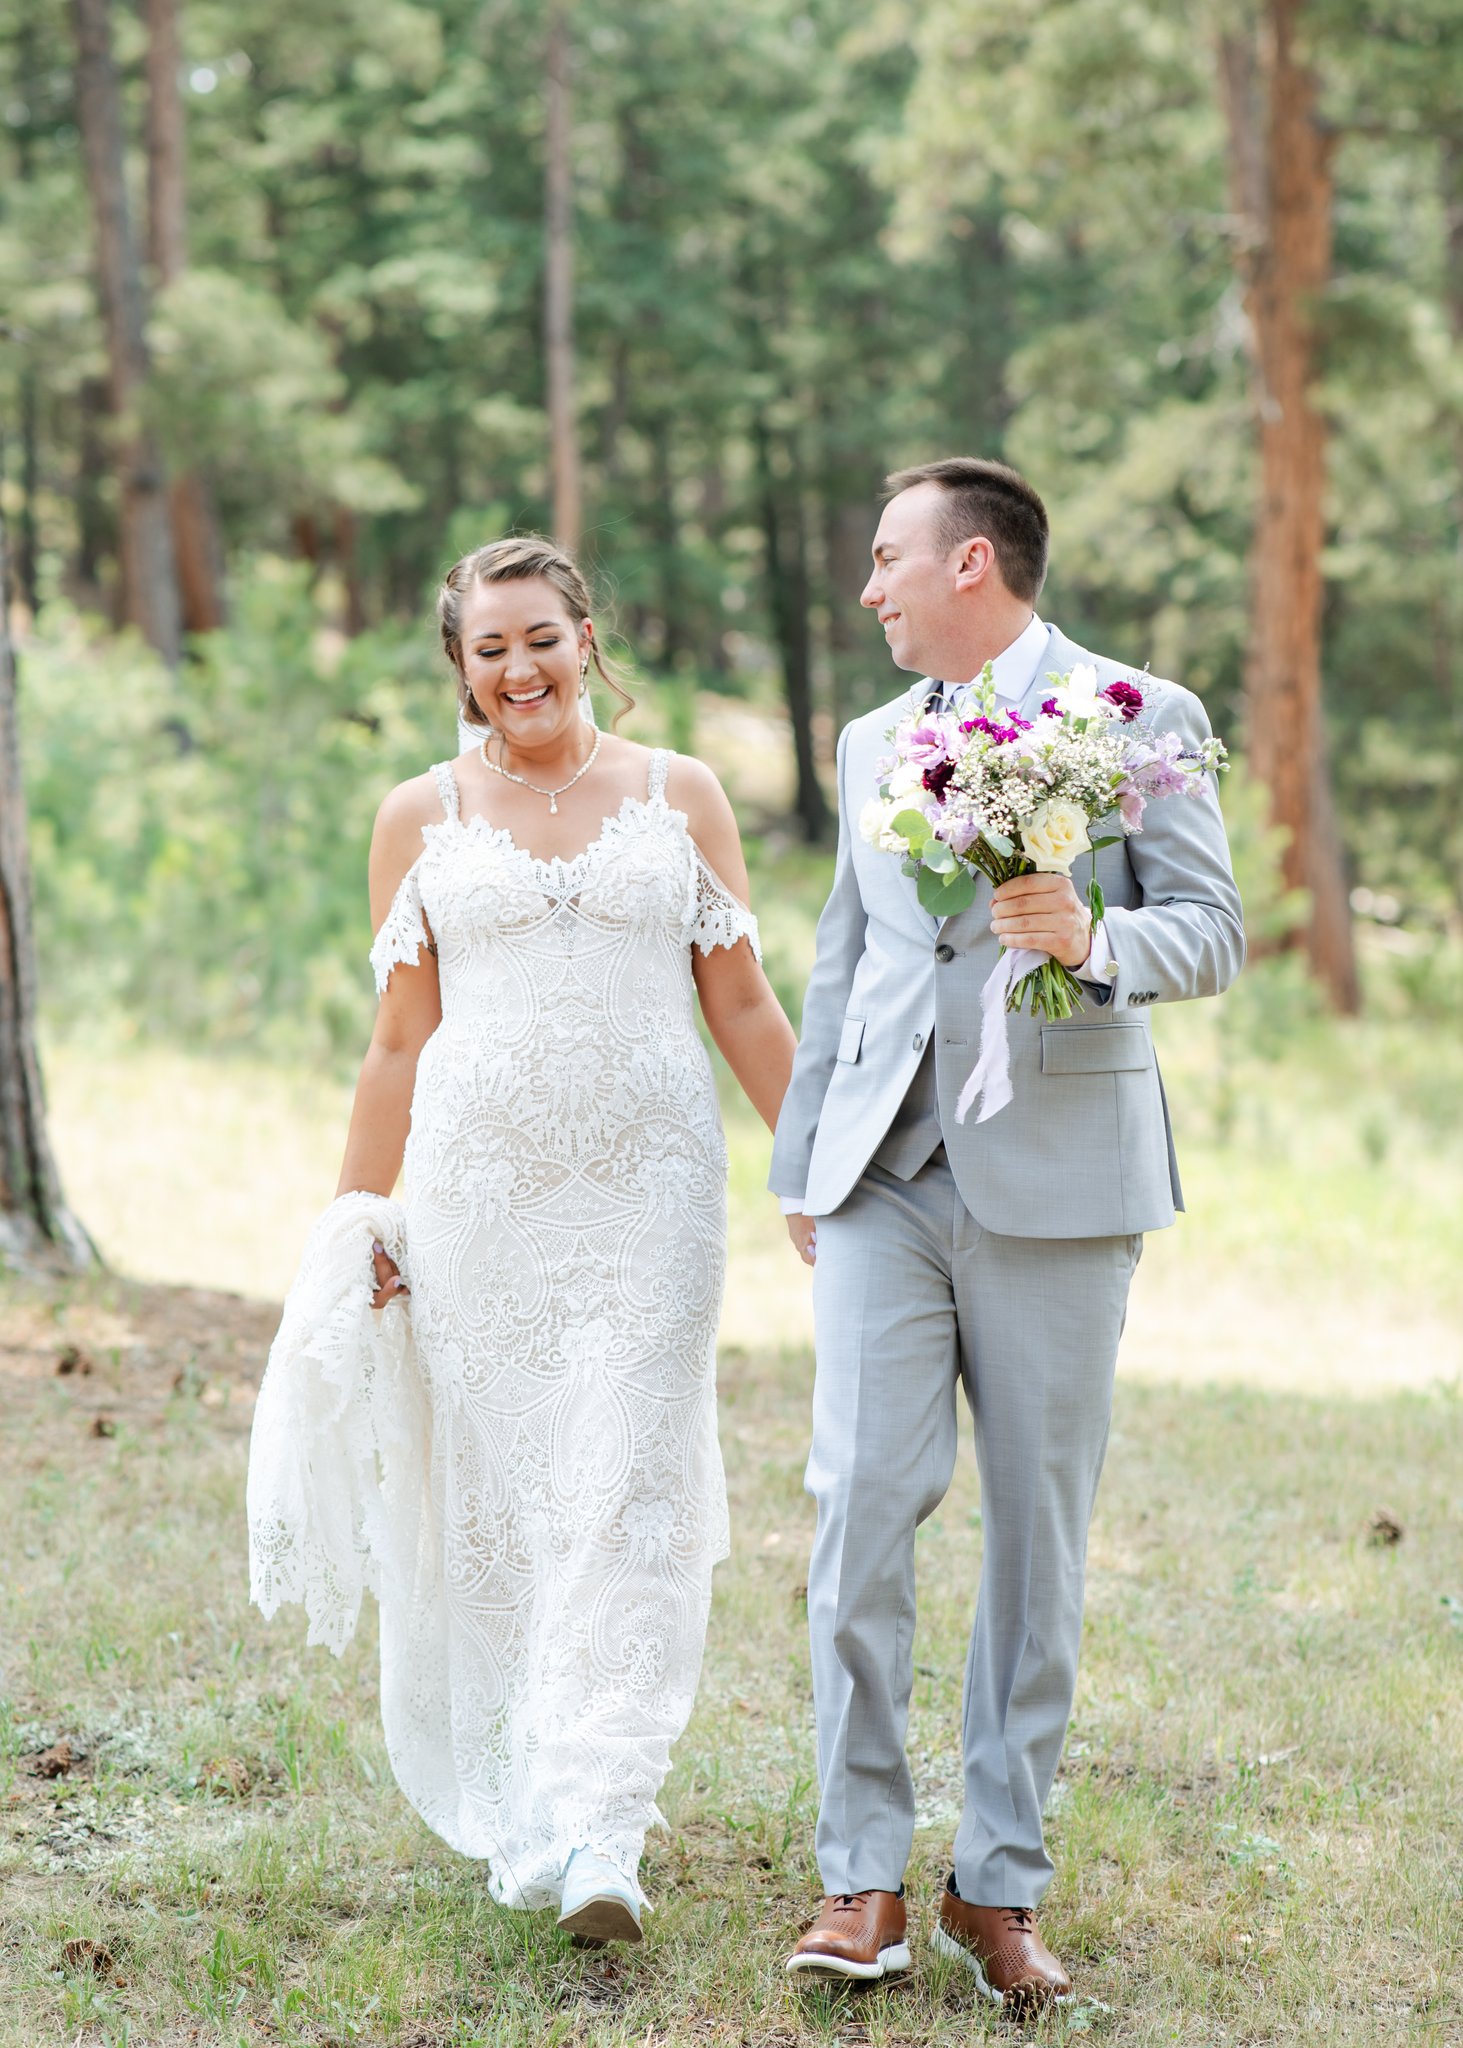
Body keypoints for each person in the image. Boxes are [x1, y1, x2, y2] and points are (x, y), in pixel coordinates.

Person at [248, 535, 797, 1945]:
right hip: (478, 1199)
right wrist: (360, 1217)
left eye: (541, 638)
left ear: (587, 636)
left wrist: (812, 1172)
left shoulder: (681, 794)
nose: (519, 669)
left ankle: (605, 1827)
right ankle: (538, 1805)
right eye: (489, 649)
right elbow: (394, 1044)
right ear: (460, 666)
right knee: (509, 1500)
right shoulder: (415, 816)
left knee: (628, 1480)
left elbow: (740, 1004)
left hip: (651, 1196)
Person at [772, 458, 1244, 2010]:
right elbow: (845, 956)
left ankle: (998, 1886)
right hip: (881, 1181)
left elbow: (1215, 929)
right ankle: (861, 1881)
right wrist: (801, 1159)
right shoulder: (866, 743)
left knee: (1037, 1543)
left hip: (1060, 1180)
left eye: (887, 557)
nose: (870, 588)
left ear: (973, 564)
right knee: (857, 1509)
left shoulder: (1135, 714)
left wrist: (1097, 938)